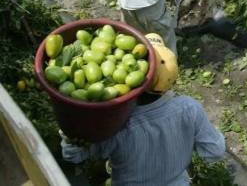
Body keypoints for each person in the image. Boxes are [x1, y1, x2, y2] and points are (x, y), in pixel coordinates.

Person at [61, 34, 226, 186]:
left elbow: (75, 156)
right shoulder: (189, 108)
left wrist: (71, 134)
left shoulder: (116, 124)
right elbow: (214, 151)